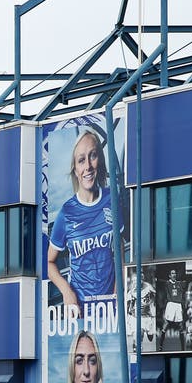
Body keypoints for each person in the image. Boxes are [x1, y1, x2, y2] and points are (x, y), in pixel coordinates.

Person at [47, 129, 116, 308]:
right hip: (80, 308)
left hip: (109, 308)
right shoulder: (66, 212)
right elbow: (49, 262)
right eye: (81, 160)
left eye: (92, 156)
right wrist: (67, 292)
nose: (87, 167)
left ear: (99, 160)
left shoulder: (111, 200)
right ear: (75, 170)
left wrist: (117, 292)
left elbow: (120, 249)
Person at [160, 268, 185, 350]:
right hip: (170, 304)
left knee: (181, 326)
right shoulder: (167, 283)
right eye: (172, 273)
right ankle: (160, 346)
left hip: (178, 305)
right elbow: (161, 281)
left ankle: (182, 348)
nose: (174, 274)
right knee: (166, 324)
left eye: (175, 273)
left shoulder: (179, 283)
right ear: (169, 275)